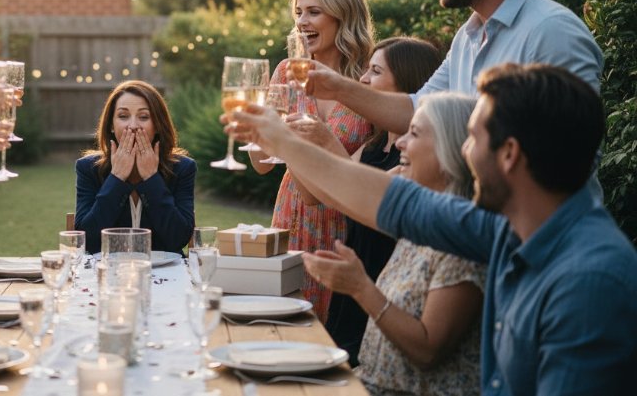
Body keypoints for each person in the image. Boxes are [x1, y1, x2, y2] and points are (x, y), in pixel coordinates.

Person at [228, 62, 637, 395]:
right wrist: (282, 140)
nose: (462, 151)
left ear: (510, 155)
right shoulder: (503, 229)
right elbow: (391, 200)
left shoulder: (589, 281)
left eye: (473, 139)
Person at [304, 0, 604, 200]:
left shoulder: (552, 31)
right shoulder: (467, 37)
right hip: (474, 235)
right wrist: (337, 87)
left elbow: (570, 159)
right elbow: (418, 110)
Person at [307, 94, 485, 395]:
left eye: (414, 133)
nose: (400, 143)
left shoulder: (462, 239)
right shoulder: (421, 226)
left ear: (450, 151)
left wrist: (360, 287)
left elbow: (427, 351)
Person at [249, 0, 375, 320]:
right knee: (286, 319)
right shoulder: (287, 72)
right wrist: (257, 128)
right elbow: (261, 163)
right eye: (299, 13)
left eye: (314, 12)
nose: (302, 22)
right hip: (292, 216)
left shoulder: (369, 78)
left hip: (344, 221)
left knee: (334, 327)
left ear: (343, 15)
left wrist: (286, 140)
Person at [313, 37, 443, 367]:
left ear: (409, 86)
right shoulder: (372, 147)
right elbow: (335, 193)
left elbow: (357, 194)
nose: (363, 80)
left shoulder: (416, 163)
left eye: (375, 71)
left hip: (381, 294)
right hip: (350, 299)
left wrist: (324, 141)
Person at [75, 80, 195, 255]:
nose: (133, 126)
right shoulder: (88, 168)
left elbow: (178, 239)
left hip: (166, 273)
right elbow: (88, 241)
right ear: (111, 124)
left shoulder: (183, 168)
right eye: (123, 116)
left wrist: (151, 179)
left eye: (144, 117)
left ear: (158, 125)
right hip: (108, 272)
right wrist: (116, 178)